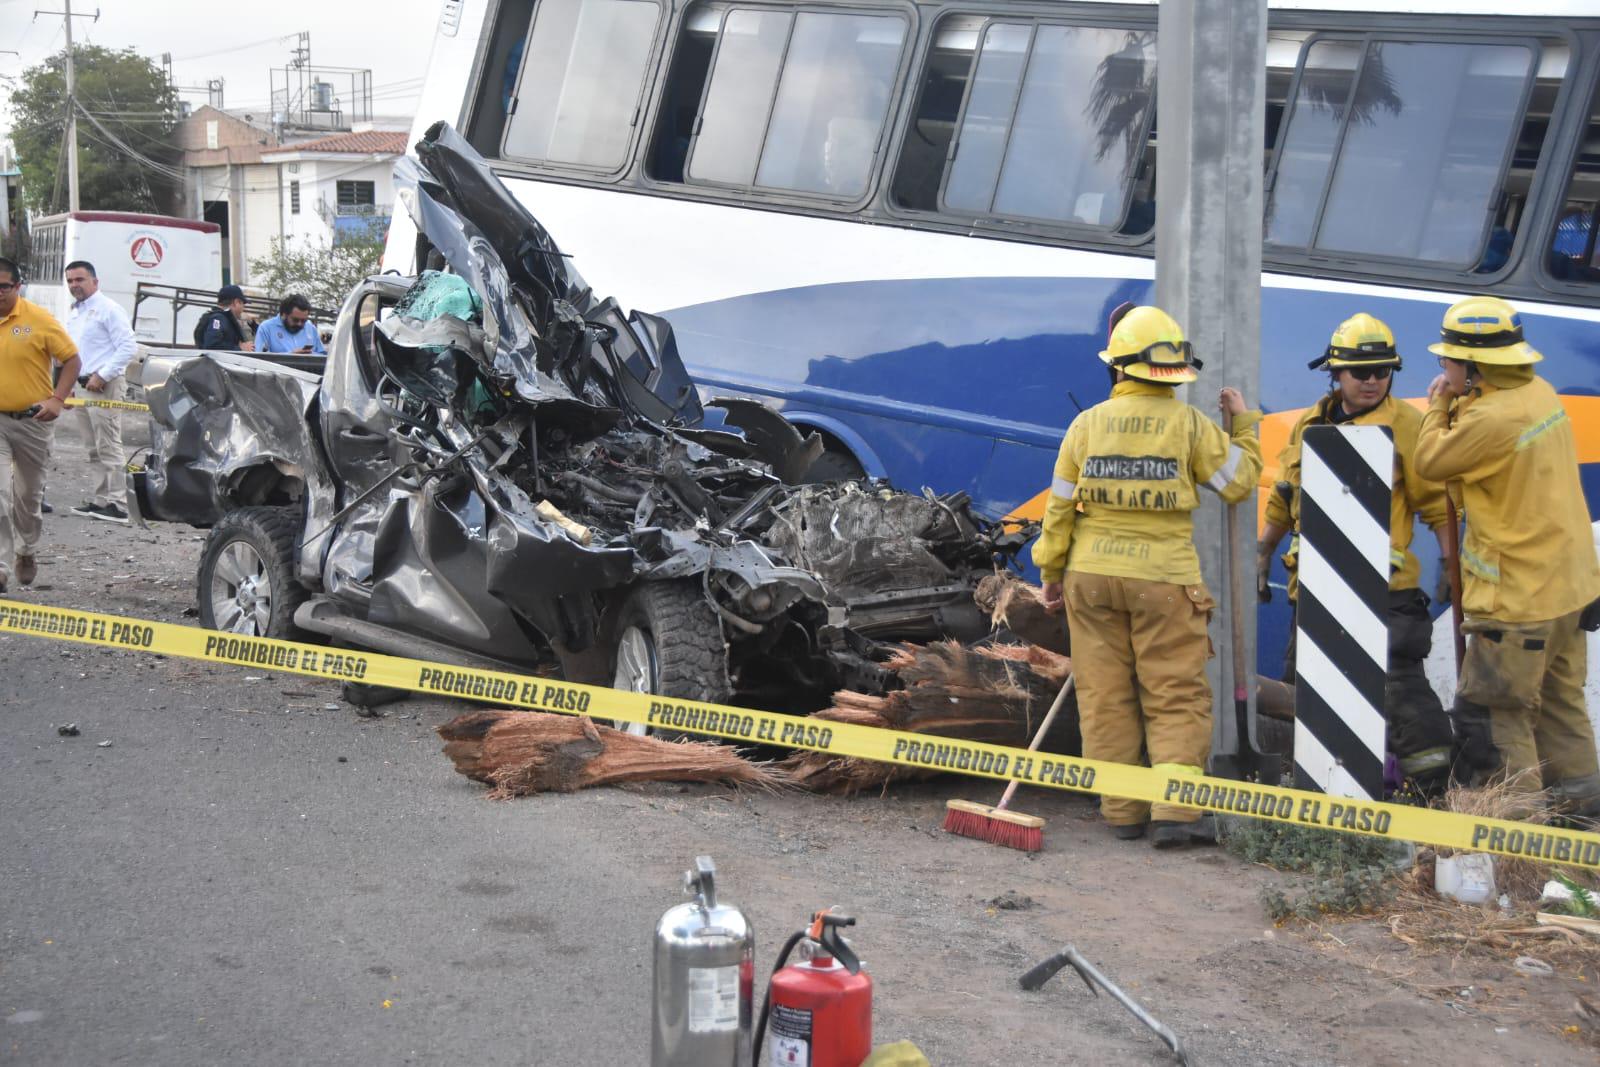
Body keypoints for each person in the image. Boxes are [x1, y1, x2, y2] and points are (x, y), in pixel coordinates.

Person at [1034, 305, 1263, 848]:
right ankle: (1175, 814)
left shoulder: (1085, 424)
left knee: (1104, 694)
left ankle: (1122, 810)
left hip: (1089, 577)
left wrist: (1050, 572)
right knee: (1173, 693)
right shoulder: (1187, 425)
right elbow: (1238, 481)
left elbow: (1059, 509)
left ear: (1117, 369)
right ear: (1173, 374)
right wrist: (1246, 424)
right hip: (1163, 581)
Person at [1413, 296, 1600, 819]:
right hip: (1571, 588)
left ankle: (1515, 830)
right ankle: (1582, 815)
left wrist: (1438, 406)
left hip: (1520, 600)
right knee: (1559, 707)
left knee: (1494, 712)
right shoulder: (1538, 392)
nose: (1443, 370)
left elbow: (1431, 461)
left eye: (1448, 361)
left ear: (1475, 367)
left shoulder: (1492, 417)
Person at [1257, 313, 1456, 795]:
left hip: (1385, 593)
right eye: (1360, 372)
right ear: (1335, 374)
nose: (1373, 381)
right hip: (1315, 588)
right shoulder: (1311, 423)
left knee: (1401, 696)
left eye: (1383, 371)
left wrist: (1453, 564)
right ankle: (1306, 788)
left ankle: (1433, 795)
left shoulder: (1407, 424)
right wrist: (1263, 550)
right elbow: (1286, 494)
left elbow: (1436, 505)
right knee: (1300, 694)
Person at [0, 256, 81, 592]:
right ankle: (1, 567)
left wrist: (57, 400)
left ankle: (26, 550)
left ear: (18, 286)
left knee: (28, 500)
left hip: (34, 421)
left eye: (3, 286)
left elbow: (72, 360)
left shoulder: (39, 319)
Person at [63, 260, 137, 523]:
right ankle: (100, 500)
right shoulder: (76, 312)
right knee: (92, 447)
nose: (75, 285)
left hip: (104, 385)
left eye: (80, 280)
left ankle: (118, 504)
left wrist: (102, 374)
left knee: (108, 444)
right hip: (82, 386)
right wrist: (68, 387)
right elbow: (75, 352)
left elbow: (128, 347)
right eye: (70, 280)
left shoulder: (108, 309)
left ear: (95, 281)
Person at [253, 293, 325, 355]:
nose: (299, 324)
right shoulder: (266, 328)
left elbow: (322, 355)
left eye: (303, 321)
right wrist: (290, 356)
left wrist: (310, 355)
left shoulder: (310, 328)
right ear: (284, 314)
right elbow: (260, 358)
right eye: (295, 320)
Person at [194, 285, 253, 351]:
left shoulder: (220, 318)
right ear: (236, 302)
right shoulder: (218, 318)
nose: (243, 308)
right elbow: (212, 345)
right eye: (242, 303)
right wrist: (240, 348)